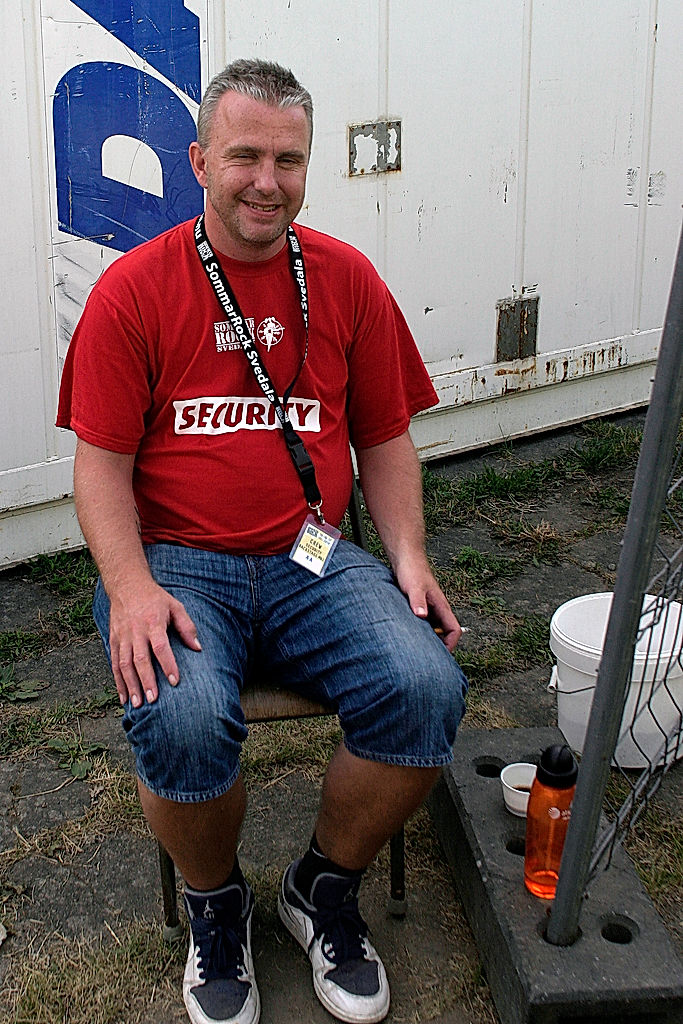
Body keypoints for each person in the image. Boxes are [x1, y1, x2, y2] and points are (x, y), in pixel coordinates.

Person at [57, 58, 468, 1024]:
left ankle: (320, 889)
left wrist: (407, 554)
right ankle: (217, 905)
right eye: (244, 155)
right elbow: (100, 467)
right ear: (199, 160)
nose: (266, 180)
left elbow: (387, 434)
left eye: (288, 159)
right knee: (184, 716)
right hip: (178, 563)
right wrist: (128, 588)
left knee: (425, 686)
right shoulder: (134, 291)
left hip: (309, 554)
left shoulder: (345, 279)